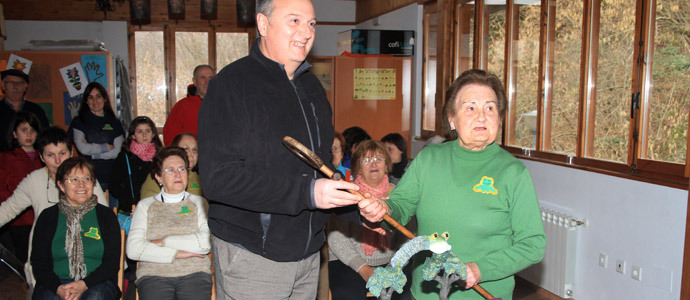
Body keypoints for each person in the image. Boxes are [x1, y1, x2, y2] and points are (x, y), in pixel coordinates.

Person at [197, 0, 362, 298]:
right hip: (253, 258)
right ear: (263, 24)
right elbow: (219, 178)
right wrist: (309, 193)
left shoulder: (312, 88)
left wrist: (357, 207)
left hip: (309, 254)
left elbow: (320, 167)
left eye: (311, 23)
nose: (306, 31)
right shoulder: (231, 85)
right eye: (295, 21)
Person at [360, 70, 546, 300]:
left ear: (499, 117)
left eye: (490, 108)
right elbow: (401, 204)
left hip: (486, 293)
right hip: (428, 292)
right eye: (470, 107)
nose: (481, 116)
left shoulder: (512, 172)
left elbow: (532, 245)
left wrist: (480, 269)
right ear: (451, 119)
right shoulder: (430, 158)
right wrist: (384, 209)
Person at [0, 126, 108, 286]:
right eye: (50, 155)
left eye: (62, 154)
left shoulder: (85, 180)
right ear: (42, 157)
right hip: (45, 261)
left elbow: (105, 219)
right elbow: (7, 210)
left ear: (71, 153)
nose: (58, 162)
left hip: (86, 258)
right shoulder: (34, 181)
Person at [328, 140, 411, 300]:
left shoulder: (401, 195)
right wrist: (364, 269)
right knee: (347, 294)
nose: (373, 164)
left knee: (404, 292)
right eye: (366, 160)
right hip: (349, 262)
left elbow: (410, 234)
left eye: (379, 159)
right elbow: (336, 237)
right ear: (358, 168)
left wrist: (394, 265)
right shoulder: (347, 193)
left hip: (394, 262)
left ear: (387, 165)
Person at [126, 146, 212, 300]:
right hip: (154, 274)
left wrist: (165, 241)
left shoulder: (199, 203)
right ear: (158, 177)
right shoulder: (145, 206)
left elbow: (205, 243)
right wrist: (178, 253)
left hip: (194, 273)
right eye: (170, 170)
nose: (178, 174)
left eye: (181, 169)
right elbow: (133, 249)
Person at [31, 157, 120, 300]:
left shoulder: (106, 216)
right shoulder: (48, 217)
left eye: (87, 179)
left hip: (97, 283)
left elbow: (112, 262)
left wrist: (84, 284)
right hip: (56, 283)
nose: (82, 185)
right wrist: (58, 288)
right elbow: (39, 262)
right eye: (74, 180)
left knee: (95, 297)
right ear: (60, 185)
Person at [0, 112, 43, 264]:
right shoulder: (6, 157)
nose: (29, 134)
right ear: (14, 134)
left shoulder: (44, 156)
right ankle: (26, 285)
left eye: (32, 130)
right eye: (24, 130)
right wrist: (15, 202)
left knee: (42, 254)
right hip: (19, 216)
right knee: (23, 256)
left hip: (41, 213)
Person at [68, 81, 125, 193]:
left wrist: (93, 154)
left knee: (111, 210)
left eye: (98, 96)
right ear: (86, 101)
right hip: (87, 177)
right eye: (91, 97)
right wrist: (106, 147)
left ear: (104, 98)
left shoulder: (115, 123)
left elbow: (117, 152)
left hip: (113, 177)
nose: (95, 101)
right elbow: (83, 149)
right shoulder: (79, 122)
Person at [109, 116, 163, 213]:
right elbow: (113, 185)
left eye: (147, 131)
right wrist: (127, 199)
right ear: (133, 136)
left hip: (158, 206)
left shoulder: (161, 156)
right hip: (132, 208)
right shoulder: (124, 157)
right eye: (139, 132)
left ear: (153, 134)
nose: (144, 135)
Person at [163, 65, 216, 146]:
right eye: (203, 78)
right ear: (194, 81)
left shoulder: (226, 104)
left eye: (211, 78)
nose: (207, 82)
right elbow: (170, 137)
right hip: (190, 156)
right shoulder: (182, 106)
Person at [140, 132, 202, 199]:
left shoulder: (199, 178)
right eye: (186, 149)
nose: (191, 154)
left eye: (195, 150)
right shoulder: (158, 176)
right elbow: (150, 205)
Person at [0, 69, 50, 152]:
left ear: (25, 86)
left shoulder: (36, 110)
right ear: (3, 85)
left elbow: (45, 137)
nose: (15, 87)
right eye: (11, 83)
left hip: (33, 159)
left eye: (19, 83)